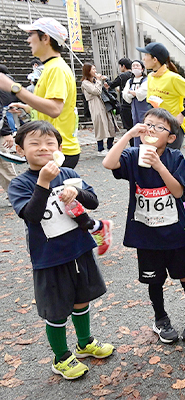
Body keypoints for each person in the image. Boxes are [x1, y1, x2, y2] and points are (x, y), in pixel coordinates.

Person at [8, 121, 114, 380]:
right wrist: (43, 182)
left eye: (49, 143)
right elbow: (32, 215)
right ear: (21, 150)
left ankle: (84, 343)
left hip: (79, 249)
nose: (43, 148)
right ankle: (61, 357)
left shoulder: (67, 174)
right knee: (55, 310)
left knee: (82, 298)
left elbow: (94, 200)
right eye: (34, 143)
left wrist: (76, 192)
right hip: (49, 258)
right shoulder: (19, 184)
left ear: (59, 147)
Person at [102, 108, 185, 344]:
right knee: (154, 279)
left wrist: (158, 165)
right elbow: (108, 163)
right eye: (147, 124)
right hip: (146, 233)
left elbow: (178, 191)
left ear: (171, 138)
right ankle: (161, 319)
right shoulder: (133, 155)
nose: (151, 129)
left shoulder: (175, 157)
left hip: (175, 231)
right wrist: (128, 136)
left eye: (159, 127)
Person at [0, 18, 81, 168]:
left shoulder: (56, 68)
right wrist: (25, 108)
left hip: (57, 150)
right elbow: (53, 108)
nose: (28, 40)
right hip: (53, 148)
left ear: (45, 38)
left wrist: (14, 88)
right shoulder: (50, 67)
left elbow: (54, 109)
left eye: (31, 34)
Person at [136, 42, 185, 149]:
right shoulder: (150, 77)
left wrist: (182, 114)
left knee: (171, 161)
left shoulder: (173, 78)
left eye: (146, 55)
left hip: (173, 127)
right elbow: (150, 101)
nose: (143, 59)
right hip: (157, 127)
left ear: (155, 60)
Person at [81, 63, 117, 156]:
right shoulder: (85, 83)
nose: (95, 71)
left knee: (111, 125)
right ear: (88, 71)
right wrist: (98, 81)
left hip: (105, 104)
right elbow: (96, 91)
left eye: (95, 69)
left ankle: (110, 146)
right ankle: (100, 149)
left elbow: (101, 91)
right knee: (100, 126)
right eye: (93, 69)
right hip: (95, 105)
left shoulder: (94, 81)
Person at [122, 60, 152, 146]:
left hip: (145, 106)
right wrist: (133, 93)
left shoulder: (146, 80)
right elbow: (125, 94)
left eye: (137, 66)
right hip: (134, 107)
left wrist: (132, 92)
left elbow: (142, 93)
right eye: (133, 66)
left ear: (142, 68)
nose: (135, 67)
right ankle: (136, 147)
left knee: (146, 125)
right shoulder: (130, 81)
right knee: (136, 126)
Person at [105, 57, 134, 135]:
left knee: (129, 127)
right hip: (135, 103)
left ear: (123, 66)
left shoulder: (122, 76)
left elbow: (111, 85)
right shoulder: (135, 75)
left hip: (125, 104)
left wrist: (106, 79)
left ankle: (132, 144)